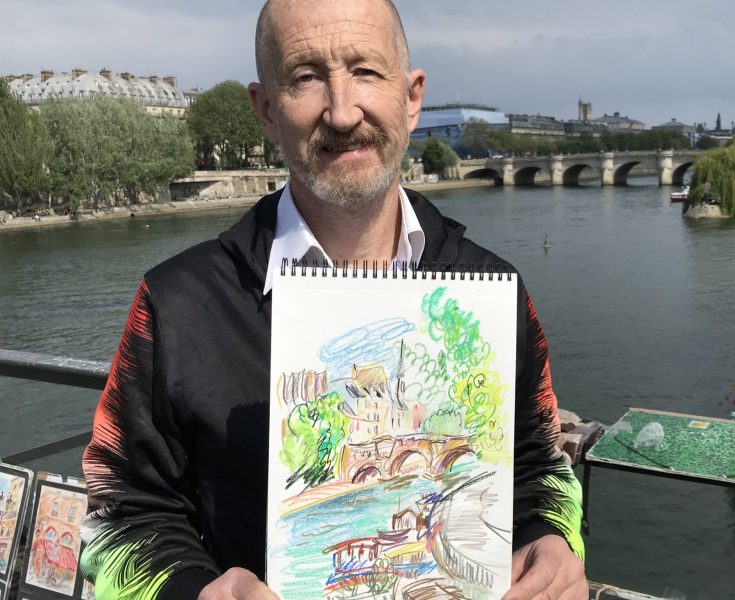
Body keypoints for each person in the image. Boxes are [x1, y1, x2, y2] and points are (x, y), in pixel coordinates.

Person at [79, 1, 586, 599]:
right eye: (306, 77)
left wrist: (551, 541)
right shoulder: (174, 303)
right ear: (266, 110)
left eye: (366, 72)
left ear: (413, 95)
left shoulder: (496, 289)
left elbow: (538, 468)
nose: (343, 113)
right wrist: (193, 591)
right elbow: (122, 514)